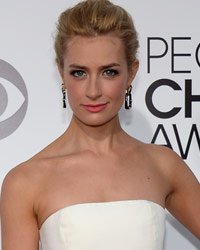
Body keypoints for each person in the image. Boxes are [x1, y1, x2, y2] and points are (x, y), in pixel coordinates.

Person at [0, 0, 200, 249]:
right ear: (61, 72)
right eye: (79, 73)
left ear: (131, 74)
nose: (93, 91)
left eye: (109, 72)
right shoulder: (24, 181)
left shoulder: (164, 165)